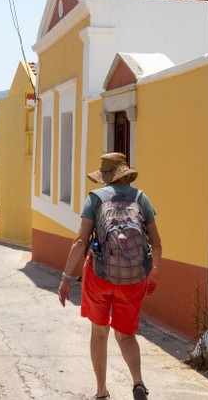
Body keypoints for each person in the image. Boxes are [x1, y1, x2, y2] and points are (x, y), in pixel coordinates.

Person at [58, 153, 162, 400]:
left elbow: (80, 240)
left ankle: (102, 391)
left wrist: (65, 278)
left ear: (105, 178)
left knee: (100, 332)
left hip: (99, 277)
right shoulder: (141, 199)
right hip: (134, 278)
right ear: (126, 175)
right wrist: (153, 272)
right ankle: (138, 382)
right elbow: (156, 244)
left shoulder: (95, 200)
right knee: (126, 335)